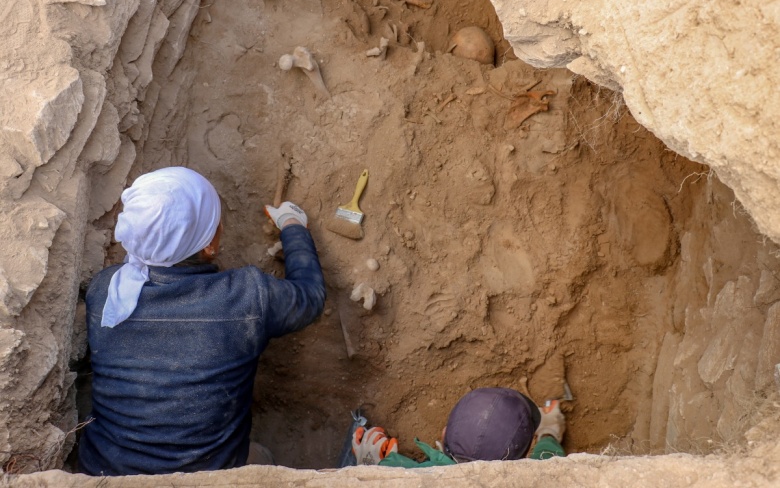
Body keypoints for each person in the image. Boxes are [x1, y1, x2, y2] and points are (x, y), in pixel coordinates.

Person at [77, 167, 325, 476]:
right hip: (207, 475)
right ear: (209, 247)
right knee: (263, 459)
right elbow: (311, 297)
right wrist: (292, 225)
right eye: (216, 225)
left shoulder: (106, 291)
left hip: (104, 472)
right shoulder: (249, 296)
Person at [351, 387, 566, 467]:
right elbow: (548, 463)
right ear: (525, 455)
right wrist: (549, 433)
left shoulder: (401, 472)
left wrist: (369, 465)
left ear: (444, 435)